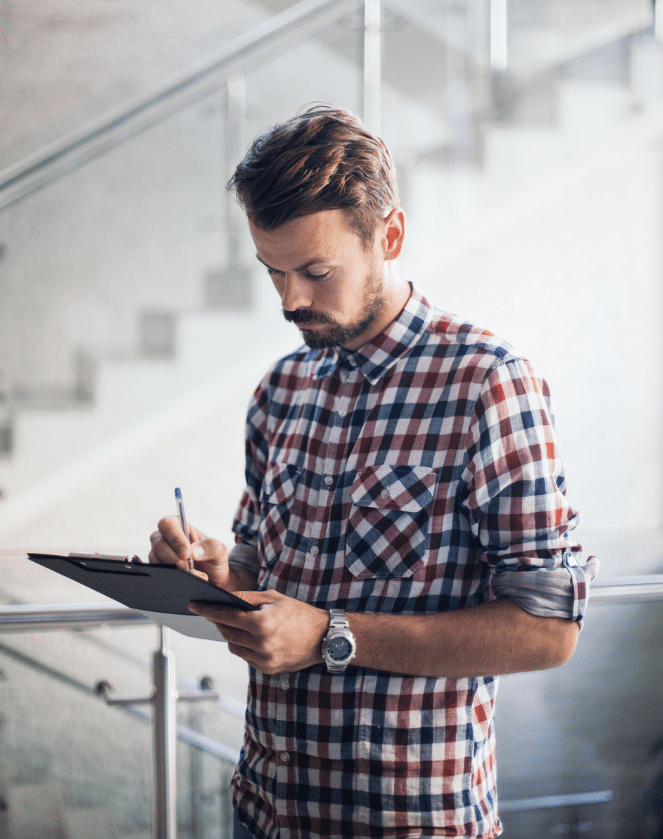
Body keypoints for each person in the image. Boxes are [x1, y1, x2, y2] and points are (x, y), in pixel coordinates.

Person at [149, 104, 596, 839]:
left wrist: (332, 633)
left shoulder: (487, 382)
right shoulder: (279, 390)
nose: (290, 300)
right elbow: (265, 581)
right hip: (265, 811)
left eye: (315, 271)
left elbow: (548, 630)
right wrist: (211, 569)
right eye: (273, 272)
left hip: (410, 821)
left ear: (387, 235)